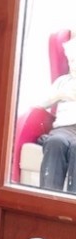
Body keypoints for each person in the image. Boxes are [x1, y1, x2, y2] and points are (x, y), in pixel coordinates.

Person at [39, 37, 76, 192]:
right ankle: (48, 202)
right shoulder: (63, 81)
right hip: (63, 128)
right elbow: (42, 104)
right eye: (72, 61)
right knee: (55, 142)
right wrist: (61, 94)